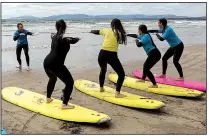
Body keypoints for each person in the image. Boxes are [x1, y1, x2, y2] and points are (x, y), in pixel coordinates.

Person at [43, 19, 80, 110]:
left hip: (47, 62)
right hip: (56, 64)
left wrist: (72, 39)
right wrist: (77, 39)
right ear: (65, 26)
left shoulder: (54, 36)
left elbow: (65, 39)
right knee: (70, 83)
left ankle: (48, 98)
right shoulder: (64, 38)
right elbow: (72, 40)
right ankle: (64, 105)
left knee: (52, 78)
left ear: (56, 27)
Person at [90, 18, 127, 98]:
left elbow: (97, 32)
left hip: (102, 54)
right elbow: (120, 41)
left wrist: (91, 31)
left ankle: (101, 88)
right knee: (121, 74)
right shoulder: (120, 33)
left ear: (112, 24)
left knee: (103, 70)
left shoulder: (107, 30)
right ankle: (117, 93)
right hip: (112, 55)